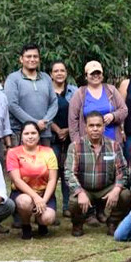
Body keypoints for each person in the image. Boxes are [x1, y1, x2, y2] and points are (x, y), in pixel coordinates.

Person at [65, 111, 131, 237]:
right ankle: (78, 223)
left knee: (125, 194)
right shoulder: (75, 146)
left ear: (104, 127)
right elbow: (69, 173)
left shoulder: (114, 145)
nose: (95, 129)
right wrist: (80, 192)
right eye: (91, 126)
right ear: (85, 127)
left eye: (98, 125)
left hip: (107, 188)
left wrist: (116, 190)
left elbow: (123, 171)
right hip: (85, 189)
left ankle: (113, 222)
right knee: (74, 201)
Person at [7, 122, 58, 240]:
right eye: (26, 133)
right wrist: (35, 197)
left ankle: (41, 223)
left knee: (48, 218)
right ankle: (26, 225)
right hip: (22, 193)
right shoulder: (13, 153)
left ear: (39, 136)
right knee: (25, 202)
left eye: (33, 133)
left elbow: (52, 179)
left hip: (44, 193)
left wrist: (43, 200)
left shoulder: (48, 152)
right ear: (21, 136)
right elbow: (17, 180)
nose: (30, 136)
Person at [4, 44, 58, 146]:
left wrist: (45, 121)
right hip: (22, 133)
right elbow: (12, 105)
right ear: (21, 59)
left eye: (35, 56)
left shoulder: (46, 78)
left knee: (44, 161)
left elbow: (54, 102)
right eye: (28, 56)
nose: (32, 59)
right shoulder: (13, 79)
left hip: (44, 133)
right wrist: (34, 123)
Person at [68, 60, 128, 144]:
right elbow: (73, 122)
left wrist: (113, 116)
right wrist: (77, 144)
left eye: (98, 73)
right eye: (92, 73)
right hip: (87, 144)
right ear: (86, 76)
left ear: (102, 75)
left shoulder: (111, 90)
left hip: (112, 141)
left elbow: (124, 110)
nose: (96, 76)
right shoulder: (80, 94)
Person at [50, 61, 78, 218]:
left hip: (70, 136)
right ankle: (51, 205)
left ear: (66, 73)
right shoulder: (46, 92)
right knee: (53, 172)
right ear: (51, 74)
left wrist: (67, 130)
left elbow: (78, 114)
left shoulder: (74, 91)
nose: (59, 73)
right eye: (56, 71)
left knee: (68, 172)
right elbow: (43, 112)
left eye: (62, 70)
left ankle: (68, 205)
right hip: (52, 136)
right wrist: (57, 129)